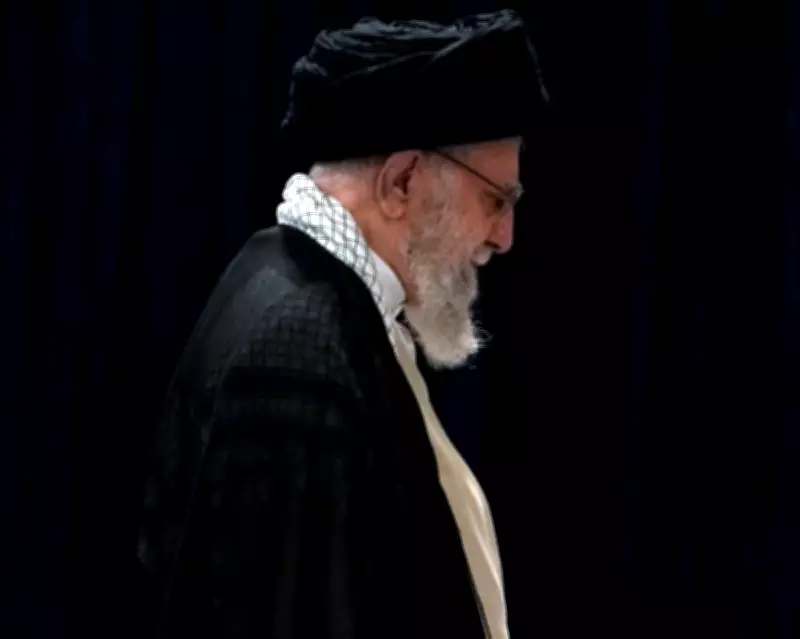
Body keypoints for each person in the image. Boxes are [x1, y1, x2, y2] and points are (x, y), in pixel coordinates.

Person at [137, 9, 548, 639]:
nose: (504, 236)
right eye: (496, 200)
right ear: (401, 181)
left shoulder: (299, 286)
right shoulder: (300, 349)